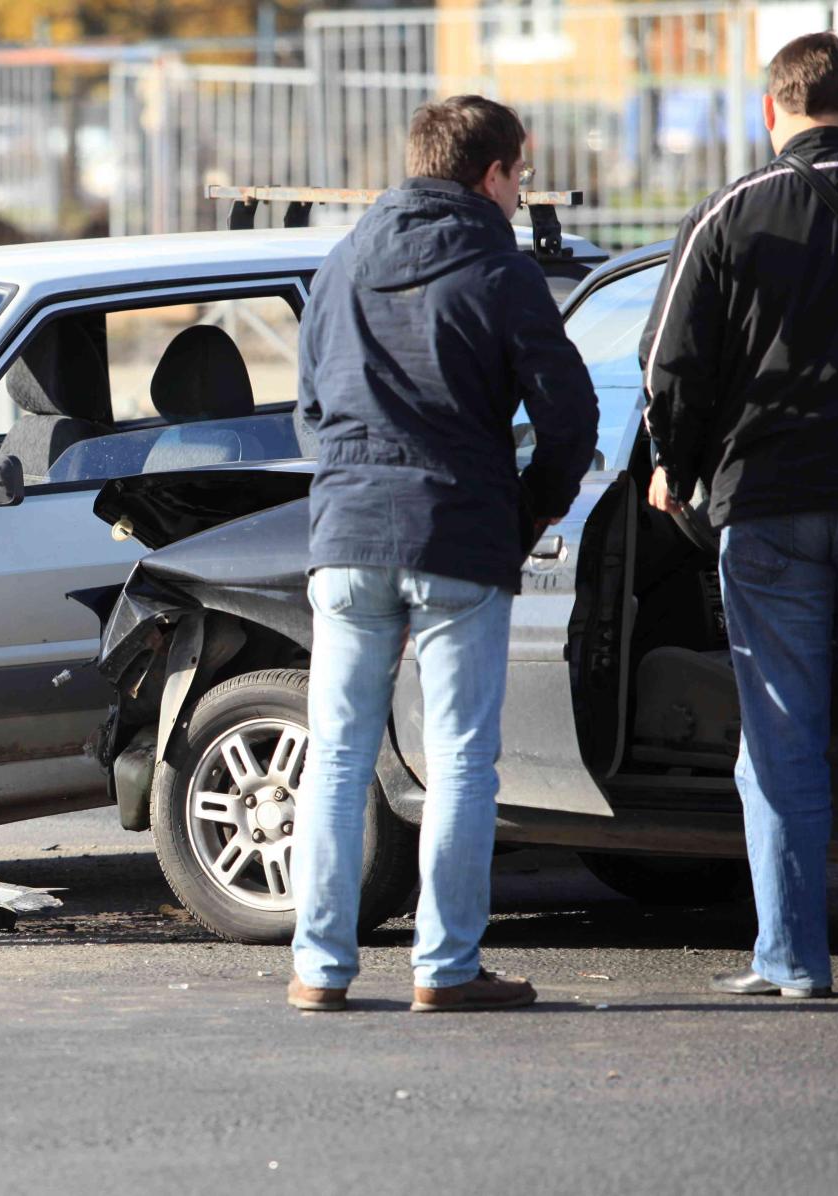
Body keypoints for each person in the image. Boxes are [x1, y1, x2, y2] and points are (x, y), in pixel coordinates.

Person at [288, 96, 598, 1013]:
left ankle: (320, 968)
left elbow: (310, 407)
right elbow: (570, 416)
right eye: (520, 176)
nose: (520, 194)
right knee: (461, 758)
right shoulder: (499, 269)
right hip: (458, 534)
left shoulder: (341, 264)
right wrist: (523, 513)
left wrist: (348, 480)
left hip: (344, 537)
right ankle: (446, 968)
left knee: (338, 757)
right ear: (491, 173)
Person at [641, 32, 838, 999]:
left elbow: (667, 365)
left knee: (781, 743)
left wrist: (675, 467)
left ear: (772, 111)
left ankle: (792, 961)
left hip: (768, 508)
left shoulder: (730, 210)